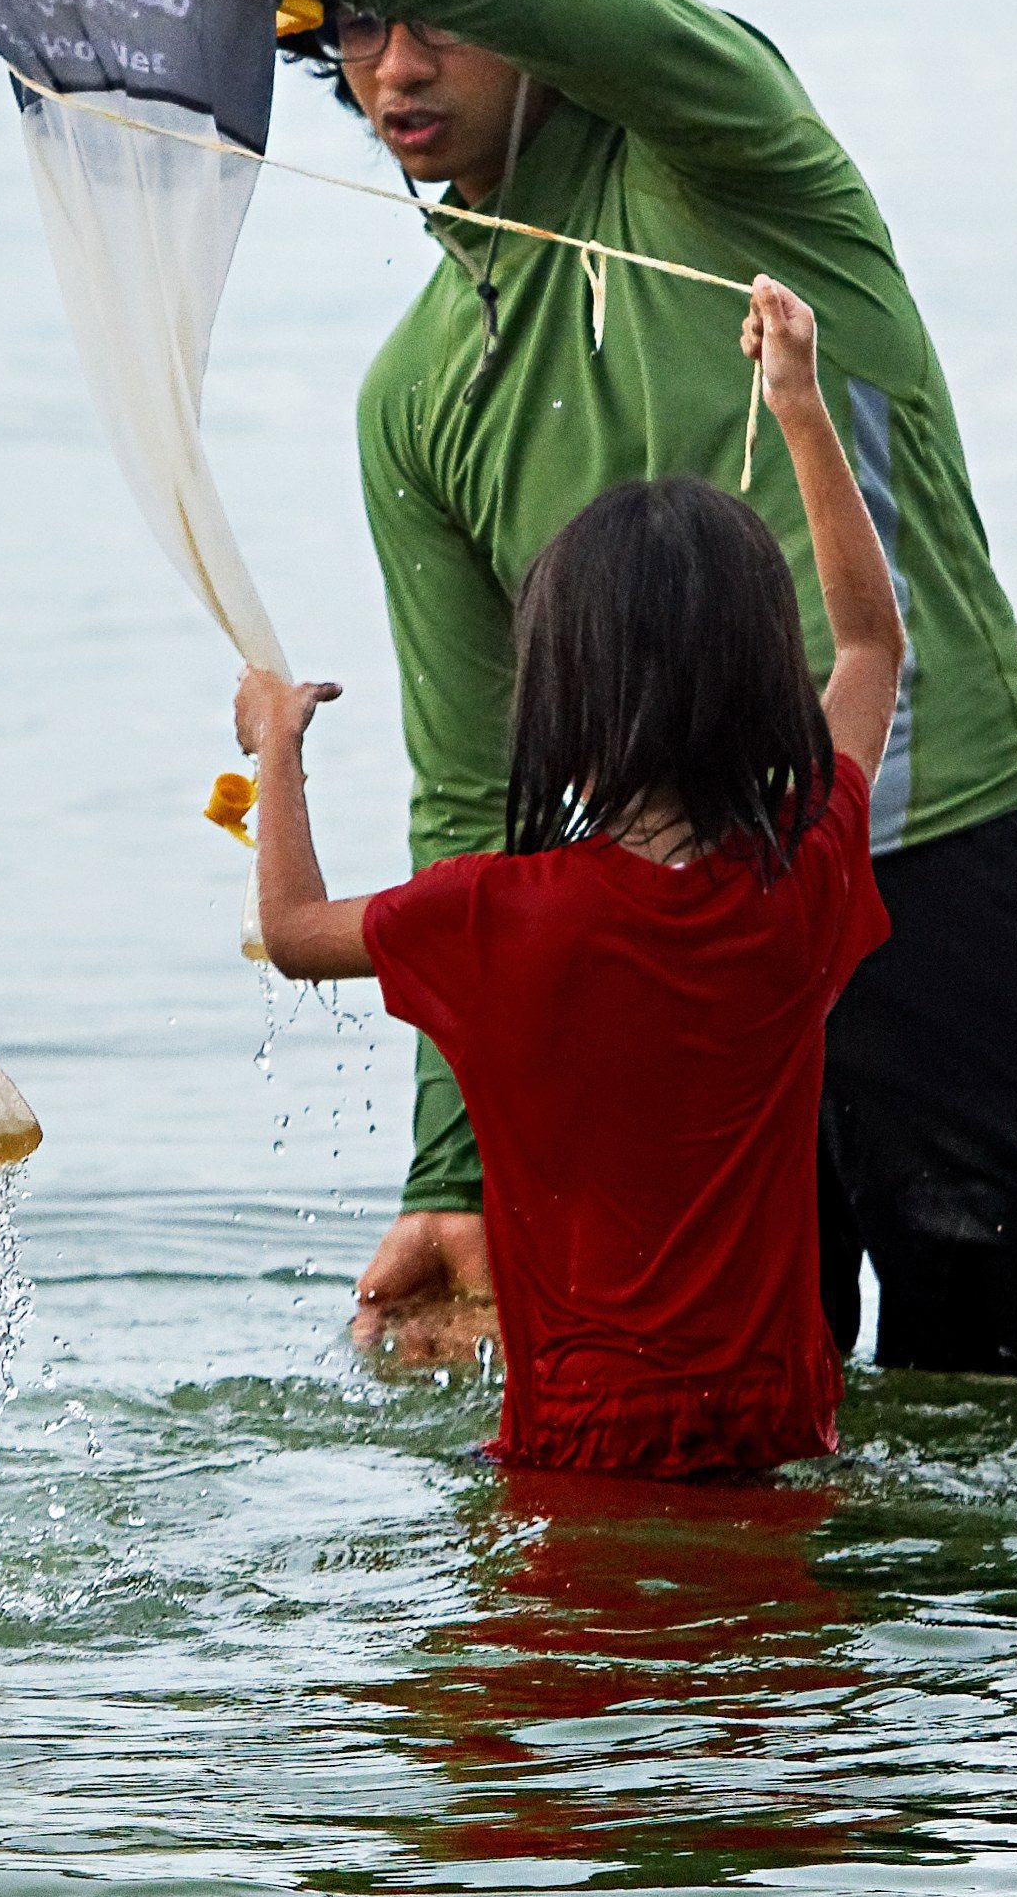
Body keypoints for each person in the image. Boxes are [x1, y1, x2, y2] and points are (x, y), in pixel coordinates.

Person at [134, 0, 1017, 1394]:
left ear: (537, 7)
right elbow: (463, 793)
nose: (394, 69)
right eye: (355, 31)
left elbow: (629, 28)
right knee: (750, 1440)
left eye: (441, 15)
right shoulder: (414, 396)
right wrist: (453, 1169)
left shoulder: (730, 150)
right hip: (662, 977)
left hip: (936, 869)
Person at [236, 277, 907, 1479]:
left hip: (575, 1447)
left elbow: (289, 930)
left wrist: (278, 744)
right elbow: (869, 642)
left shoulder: (493, 916)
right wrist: (800, 406)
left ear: (559, 701)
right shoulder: (801, 879)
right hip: (775, 1427)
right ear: (762, 681)